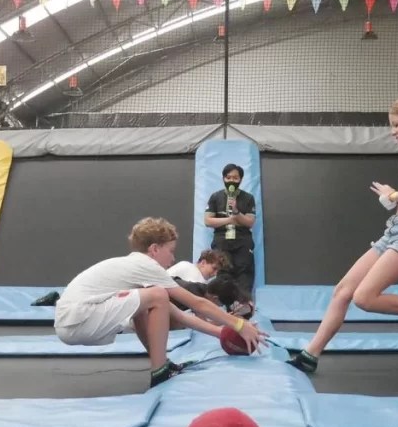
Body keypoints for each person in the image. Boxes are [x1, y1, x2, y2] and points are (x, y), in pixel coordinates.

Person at [287, 96, 398, 373]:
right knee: (343, 291)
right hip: (396, 229)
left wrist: (393, 195)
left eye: (396, 124)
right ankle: (310, 354)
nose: (393, 131)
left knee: (365, 298)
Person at [54, 217, 265, 388]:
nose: (173, 259)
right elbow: (197, 304)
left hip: (72, 321)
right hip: (79, 317)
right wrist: (238, 324)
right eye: (170, 251)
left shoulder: (136, 270)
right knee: (157, 295)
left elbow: (179, 314)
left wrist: (223, 332)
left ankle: (161, 365)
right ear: (154, 249)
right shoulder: (145, 265)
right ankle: (160, 370)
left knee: (149, 304)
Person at [204, 163, 257, 295]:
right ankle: (224, 309)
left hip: (242, 241)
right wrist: (230, 219)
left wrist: (236, 212)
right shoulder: (215, 197)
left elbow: (250, 222)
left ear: (240, 180)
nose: (231, 181)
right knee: (223, 273)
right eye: (228, 178)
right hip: (222, 240)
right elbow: (208, 221)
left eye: (235, 178)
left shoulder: (248, 198)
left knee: (244, 274)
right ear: (223, 179)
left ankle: (244, 308)